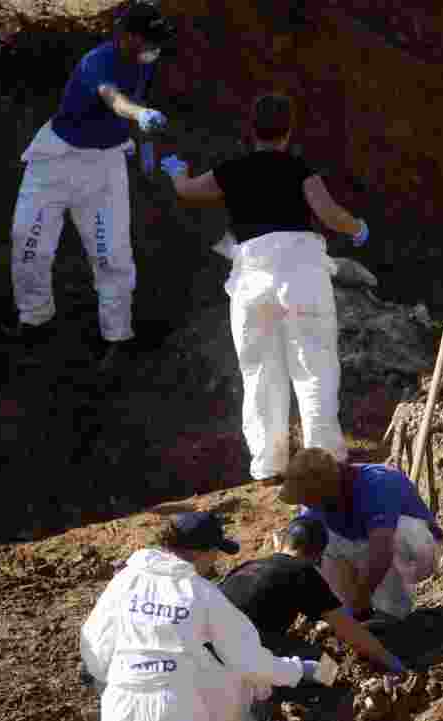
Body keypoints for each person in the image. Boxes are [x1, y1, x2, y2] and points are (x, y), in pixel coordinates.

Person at [160, 93, 368, 483]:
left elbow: (188, 191)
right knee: (314, 367)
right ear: (288, 132)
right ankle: (323, 460)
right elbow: (328, 213)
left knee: (259, 373)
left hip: (252, 280)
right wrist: (357, 228)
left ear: (251, 130)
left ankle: (269, 465)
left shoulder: (232, 170)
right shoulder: (298, 168)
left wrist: (175, 171)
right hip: (302, 275)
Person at [7, 1, 173, 367]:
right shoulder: (96, 62)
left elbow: (136, 102)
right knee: (29, 242)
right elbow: (114, 99)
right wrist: (139, 114)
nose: (154, 48)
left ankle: (117, 334)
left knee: (111, 253)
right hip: (55, 161)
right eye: (148, 40)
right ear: (127, 37)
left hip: (104, 166)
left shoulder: (144, 63)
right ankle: (35, 317)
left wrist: (146, 151)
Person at [79, 511, 326, 721]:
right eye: (215, 552)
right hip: (177, 709)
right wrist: (298, 670)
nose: (215, 560)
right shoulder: (201, 592)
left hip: (119, 705)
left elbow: (95, 646)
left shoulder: (124, 581)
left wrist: (124, 679)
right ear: (202, 552)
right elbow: (248, 660)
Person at [277, 448, 443, 623]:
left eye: (308, 498)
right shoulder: (319, 500)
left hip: (420, 551)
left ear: (326, 489)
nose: (306, 504)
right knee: (318, 538)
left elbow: (381, 553)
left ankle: (390, 613)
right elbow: (298, 547)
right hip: (370, 548)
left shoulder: (377, 483)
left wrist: (360, 599)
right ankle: (349, 614)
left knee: (392, 534)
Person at [218, 516, 406, 672]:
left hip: (206, 652)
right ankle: (329, 698)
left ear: (283, 542)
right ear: (318, 555)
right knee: (327, 667)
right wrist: (393, 663)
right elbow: (350, 632)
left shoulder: (247, 566)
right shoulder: (302, 571)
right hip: (244, 654)